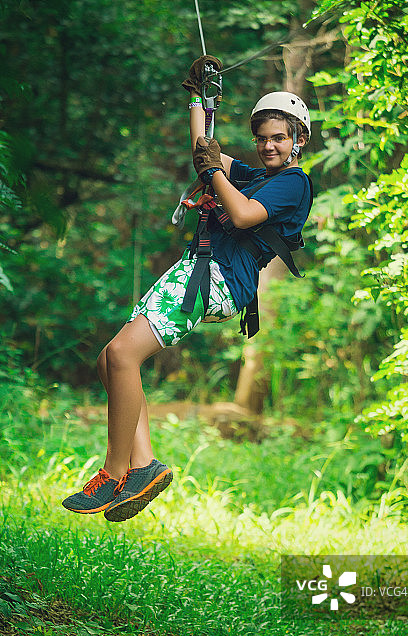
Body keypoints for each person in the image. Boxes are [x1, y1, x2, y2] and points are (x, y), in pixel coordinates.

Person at [62, 56, 313, 523]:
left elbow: (241, 214)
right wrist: (198, 96)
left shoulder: (294, 185)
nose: (267, 146)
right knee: (110, 361)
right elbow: (204, 150)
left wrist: (214, 171)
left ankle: (116, 471)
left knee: (121, 356)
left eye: (278, 137)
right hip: (199, 267)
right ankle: (143, 464)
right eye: (262, 138)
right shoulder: (257, 175)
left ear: (299, 139)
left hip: (217, 277)